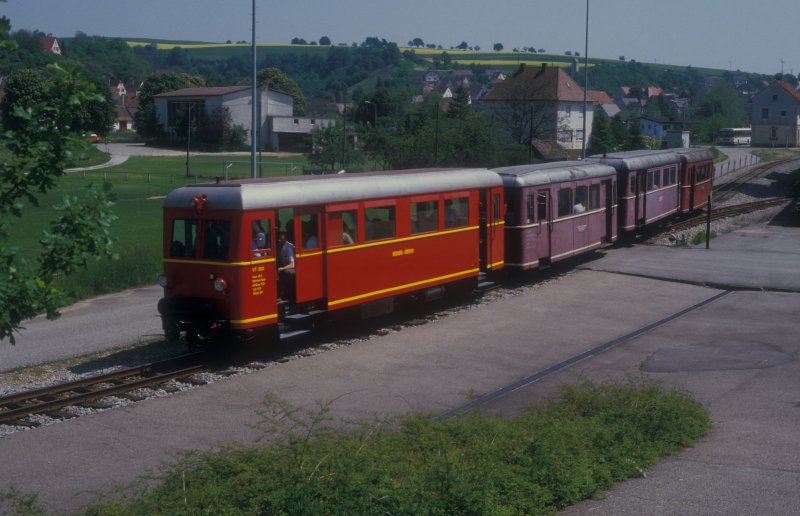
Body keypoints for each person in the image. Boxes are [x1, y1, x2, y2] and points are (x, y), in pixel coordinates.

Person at [277, 230, 296, 302]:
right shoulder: (279, 246)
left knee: (287, 273)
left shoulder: (288, 247)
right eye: (279, 239)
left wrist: (282, 268)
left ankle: (289, 296)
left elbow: (292, 264)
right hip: (284, 266)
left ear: (285, 239)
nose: (280, 241)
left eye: (282, 239)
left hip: (292, 268)